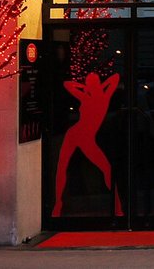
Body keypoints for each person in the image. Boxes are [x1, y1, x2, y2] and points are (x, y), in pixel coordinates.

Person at [53, 71, 122, 217]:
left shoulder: (100, 97)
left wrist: (88, 87)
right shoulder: (95, 96)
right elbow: (67, 84)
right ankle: (58, 204)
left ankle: (118, 207)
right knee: (62, 166)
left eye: (91, 82)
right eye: (88, 82)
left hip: (86, 138)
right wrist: (91, 87)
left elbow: (115, 78)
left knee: (107, 169)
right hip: (75, 133)